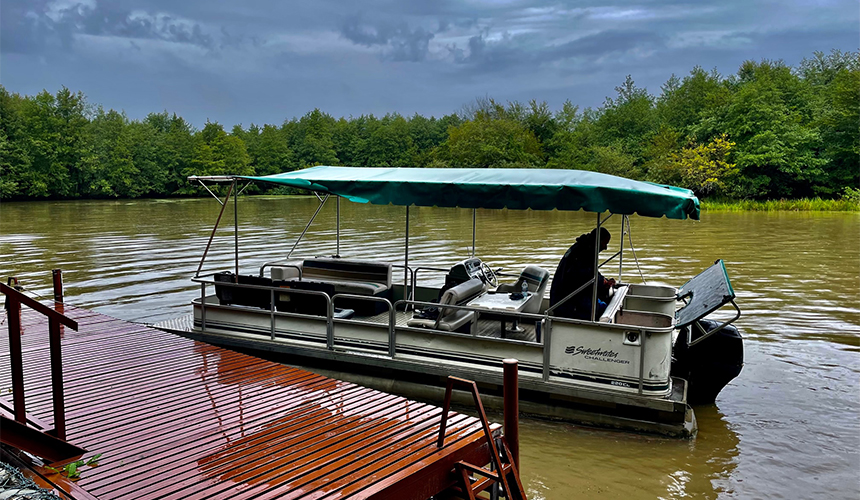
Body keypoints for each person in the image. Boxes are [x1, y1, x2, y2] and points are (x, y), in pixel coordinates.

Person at [549, 227, 616, 320]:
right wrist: (602, 283)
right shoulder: (584, 252)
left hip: (566, 294)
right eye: (604, 243)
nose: (605, 247)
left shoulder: (583, 246)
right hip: (565, 301)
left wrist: (603, 281)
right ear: (598, 240)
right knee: (600, 310)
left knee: (602, 304)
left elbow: (591, 271)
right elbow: (585, 275)